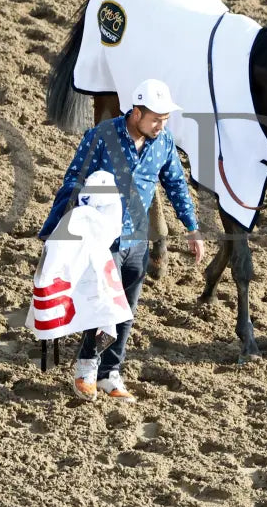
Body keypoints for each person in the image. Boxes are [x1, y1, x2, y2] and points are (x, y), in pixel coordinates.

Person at [40, 79, 205, 403]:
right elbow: (74, 178)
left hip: (138, 240)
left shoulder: (163, 142)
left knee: (125, 311)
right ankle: (87, 368)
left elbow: (175, 184)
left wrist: (191, 227)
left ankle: (109, 373)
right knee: (105, 306)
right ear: (136, 112)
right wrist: (53, 229)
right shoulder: (102, 136)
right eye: (156, 119)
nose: (161, 125)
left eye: (165, 120)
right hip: (104, 239)